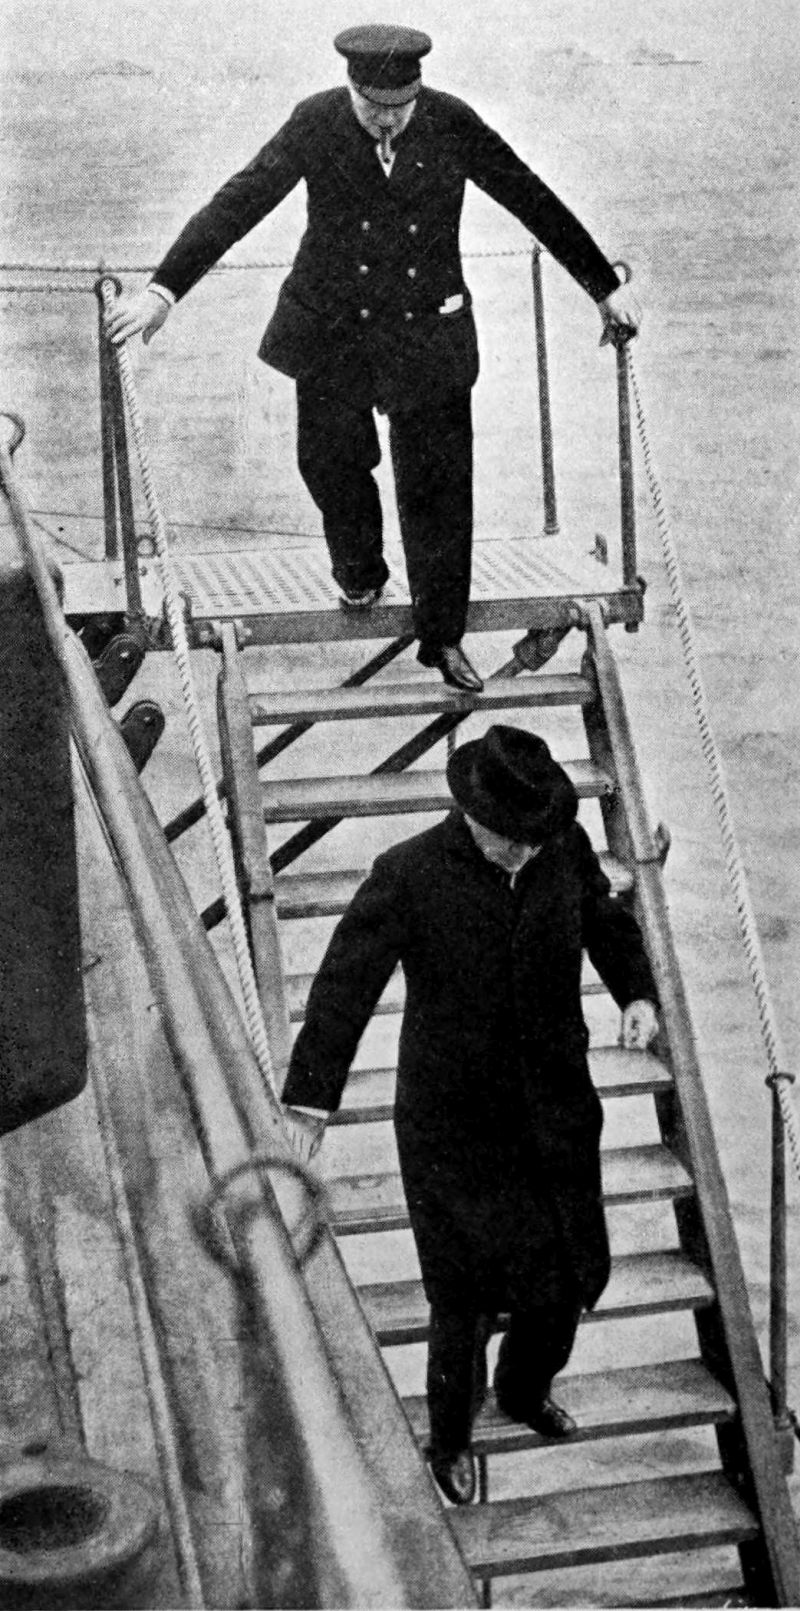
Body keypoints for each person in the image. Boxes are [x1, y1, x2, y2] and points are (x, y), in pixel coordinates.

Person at [107, 25, 642, 692]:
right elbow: (238, 203)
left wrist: (603, 288)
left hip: (428, 335)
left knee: (439, 493)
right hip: (333, 328)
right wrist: (164, 291)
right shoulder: (316, 122)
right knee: (328, 459)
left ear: (417, 93)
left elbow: (529, 196)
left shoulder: (451, 123)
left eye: (400, 109)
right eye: (374, 110)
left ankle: (442, 638)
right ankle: (360, 570)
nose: (388, 122)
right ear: (352, 91)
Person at [281, 724, 659, 1505]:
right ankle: (449, 1439)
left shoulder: (562, 847)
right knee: (462, 1300)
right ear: (473, 814)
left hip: (553, 1112)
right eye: (510, 839)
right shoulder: (409, 872)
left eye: (534, 839)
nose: (524, 852)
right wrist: (311, 1102)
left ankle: (523, 1390)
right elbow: (345, 984)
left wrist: (639, 994)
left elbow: (605, 920)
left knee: (563, 1283)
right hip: (452, 1127)